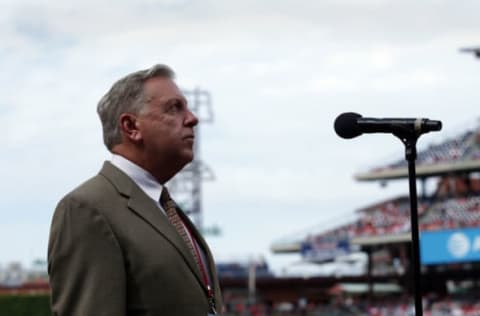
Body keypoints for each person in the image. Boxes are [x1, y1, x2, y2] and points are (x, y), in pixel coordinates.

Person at [48, 64, 222, 315]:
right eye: (174, 108)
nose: (193, 118)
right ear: (131, 127)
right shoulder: (86, 209)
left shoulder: (164, 207)